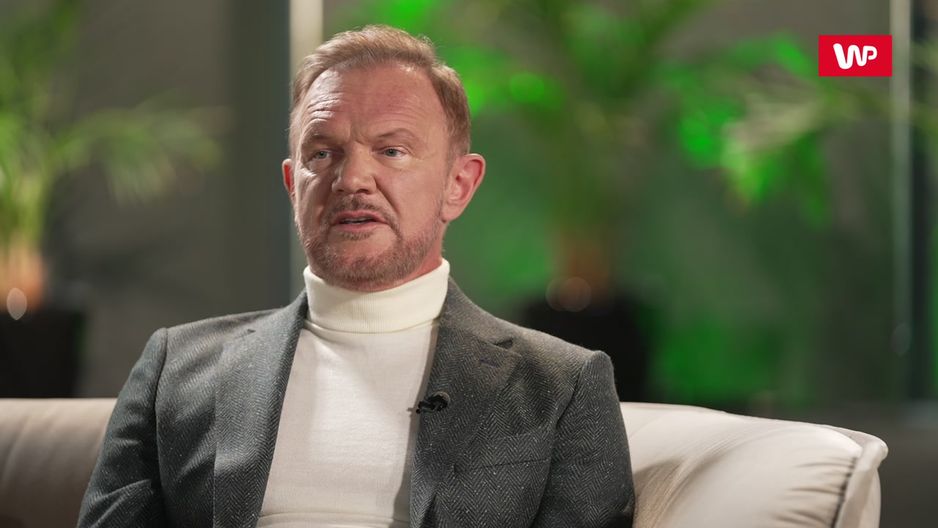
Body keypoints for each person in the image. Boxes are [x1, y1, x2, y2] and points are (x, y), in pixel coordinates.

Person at [78, 25, 634, 528]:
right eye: (323, 154)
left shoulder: (560, 386)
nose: (352, 179)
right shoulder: (176, 370)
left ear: (458, 185)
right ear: (293, 185)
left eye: (391, 150)